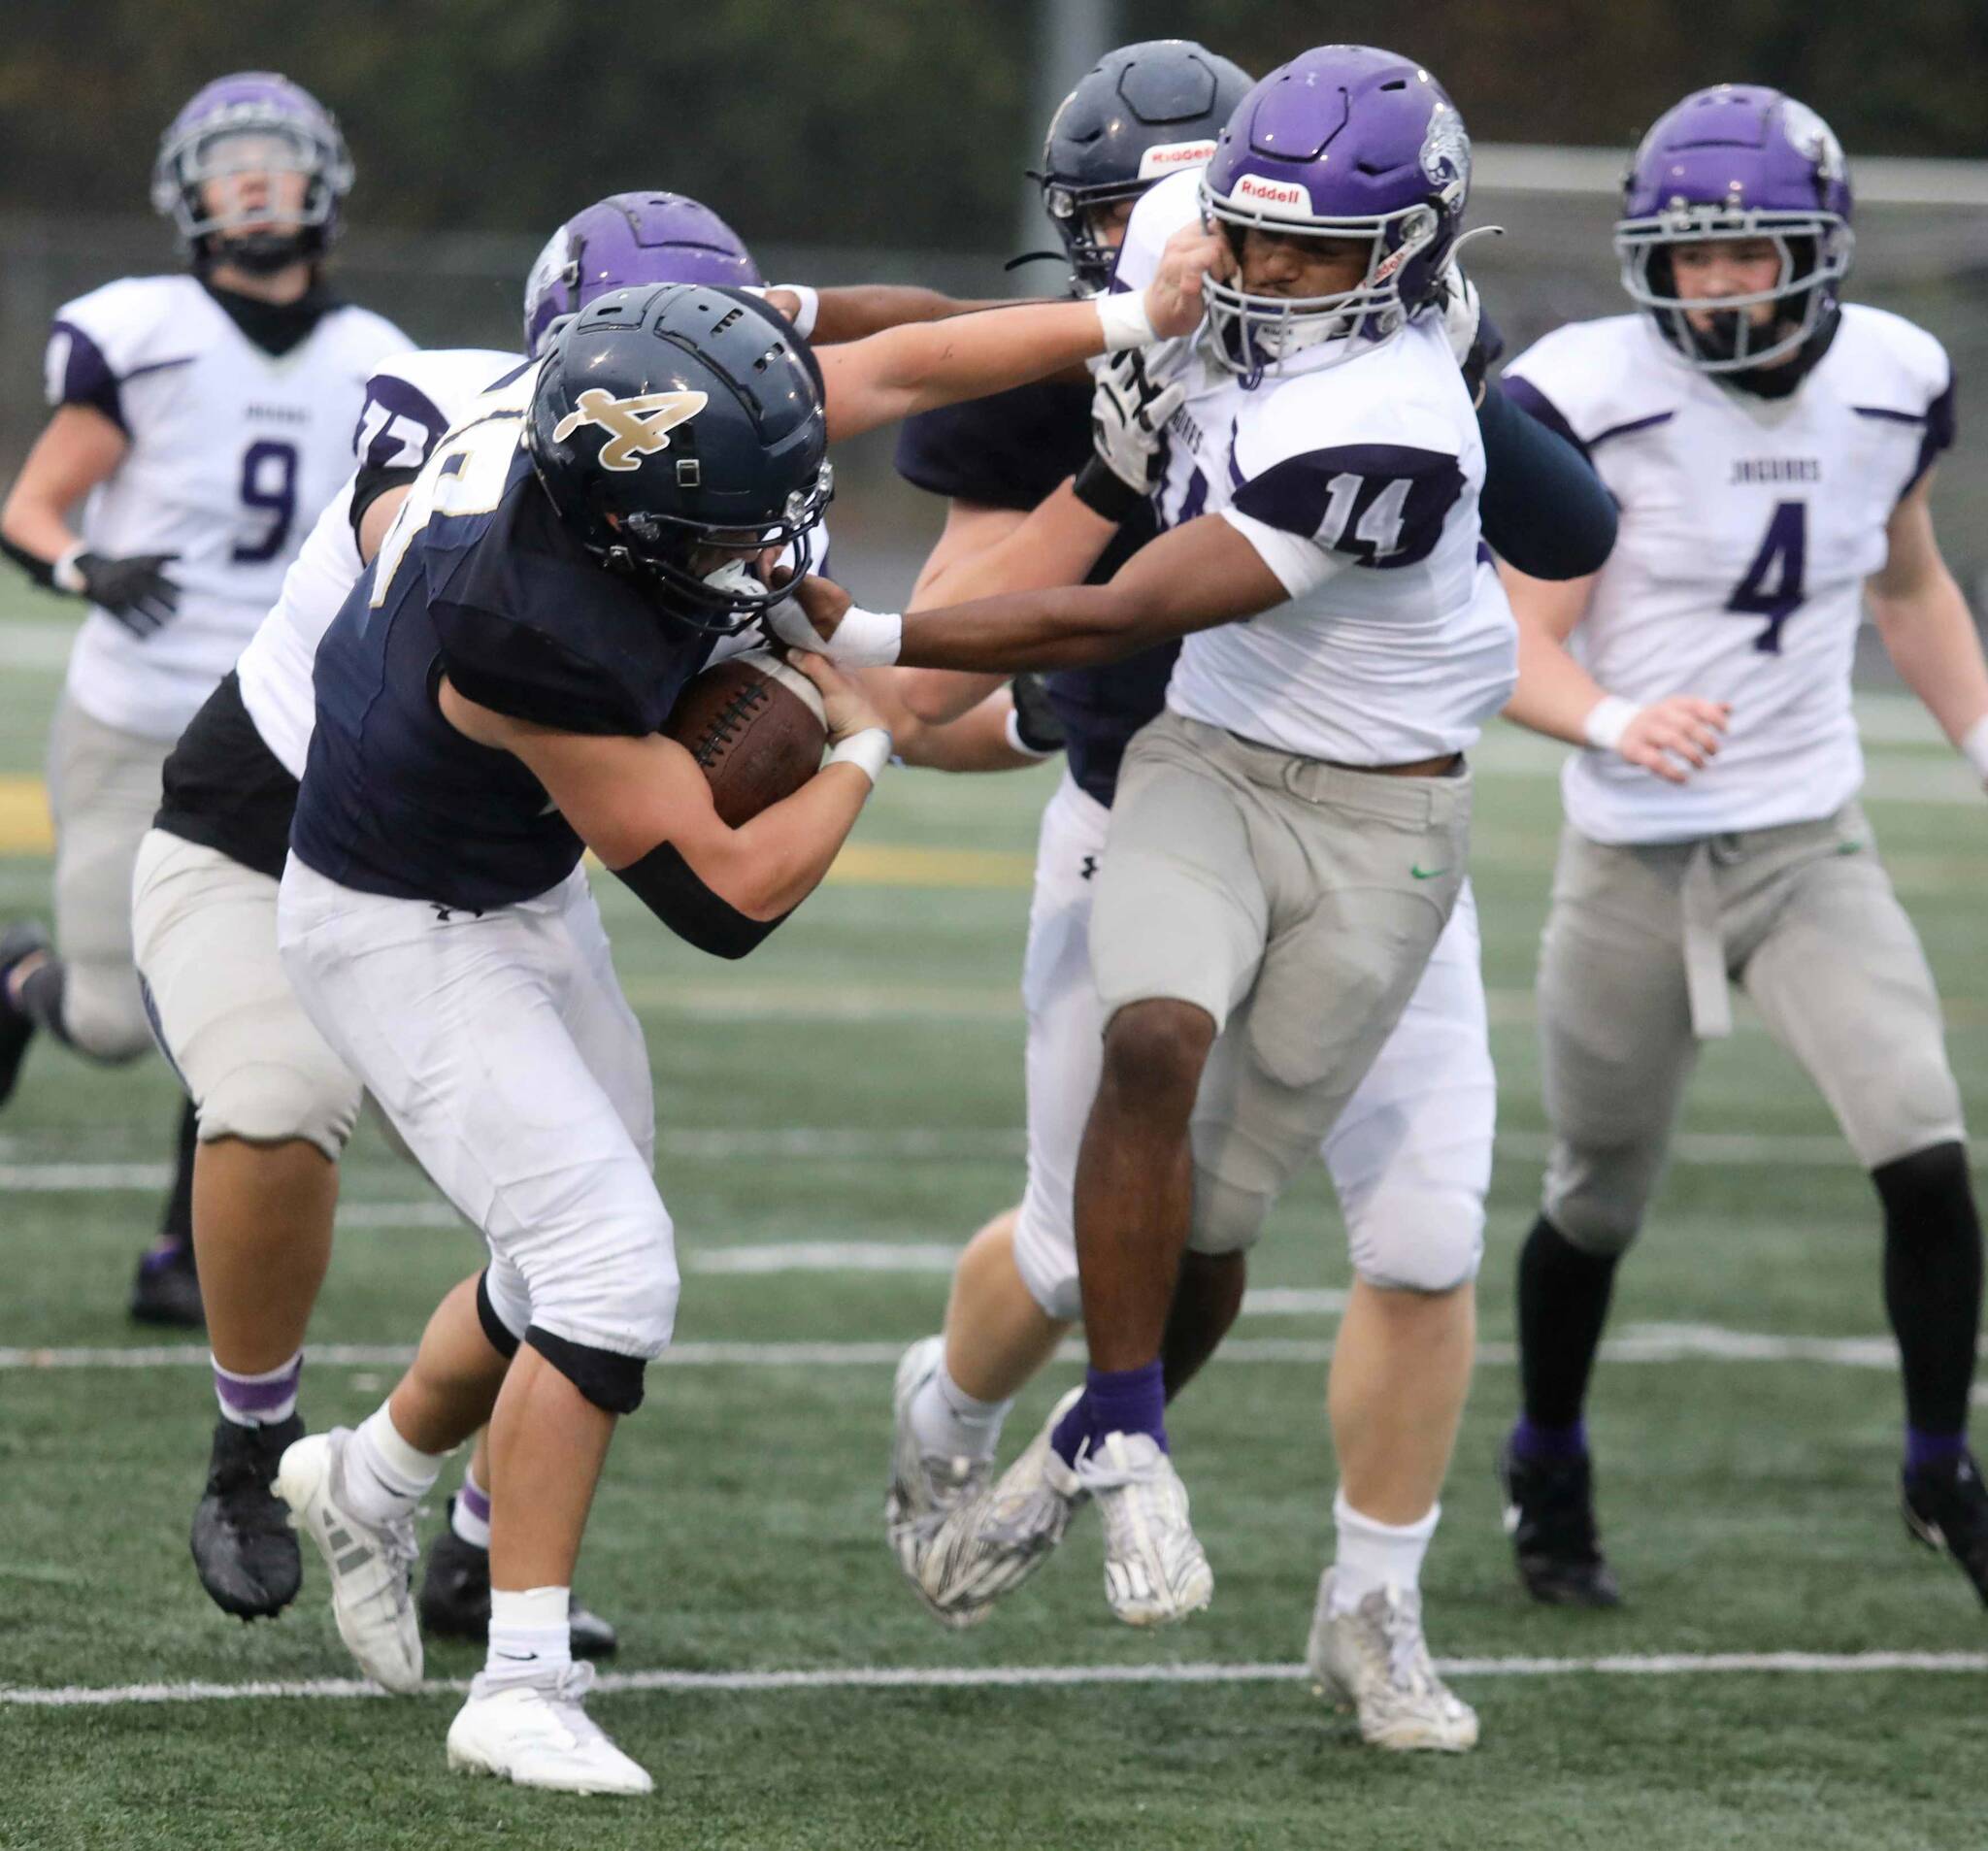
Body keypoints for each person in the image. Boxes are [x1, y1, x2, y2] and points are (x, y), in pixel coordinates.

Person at [267, 250, 1220, 1793]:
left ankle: (369, 1480)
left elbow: (905, 366)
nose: (778, 542)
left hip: (505, 889)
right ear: (628, 522)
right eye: (734, 529)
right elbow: (724, 899)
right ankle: (515, 1683)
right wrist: (859, 748)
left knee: (551, 1259)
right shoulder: (525, 622)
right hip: (398, 927)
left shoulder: (660, 417)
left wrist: (1132, 319)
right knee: (608, 1267)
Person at [875, 37, 1707, 1753]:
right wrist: (1058, 506)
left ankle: (1372, 1608)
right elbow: (936, 689)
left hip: (1382, 827)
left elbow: (1564, 531)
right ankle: (950, 1419)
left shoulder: (1380, 357)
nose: (1196, 260)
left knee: (1419, 1229)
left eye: (1242, 225)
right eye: (1140, 218)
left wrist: (1454, 361)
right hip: (1150, 801)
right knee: (1068, 1242)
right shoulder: (1079, 349)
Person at [1492, 83, 1988, 1610]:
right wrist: (1614, 719)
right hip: (1633, 855)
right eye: (1687, 258)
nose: (1713, 285)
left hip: (1803, 839)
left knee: (1925, 1151)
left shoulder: (1899, 375)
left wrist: (1982, 739)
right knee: (1597, 1200)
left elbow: (1907, 585)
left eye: (1746, 255)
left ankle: (1937, 1468)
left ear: (1817, 253)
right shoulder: (1582, 389)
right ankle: (1549, 1458)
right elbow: (1513, 644)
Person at [0, 73, 408, 1327]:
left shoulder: (379, 362)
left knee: (248, 984)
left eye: (275, 162)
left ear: (322, 185)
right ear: (189, 192)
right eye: (230, 164)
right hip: (137, 711)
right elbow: (30, 507)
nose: (253, 186)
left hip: (284, 719)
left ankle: (184, 1252)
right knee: (119, 1017)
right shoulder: (141, 328)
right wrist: (82, 569)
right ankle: (16, 975)